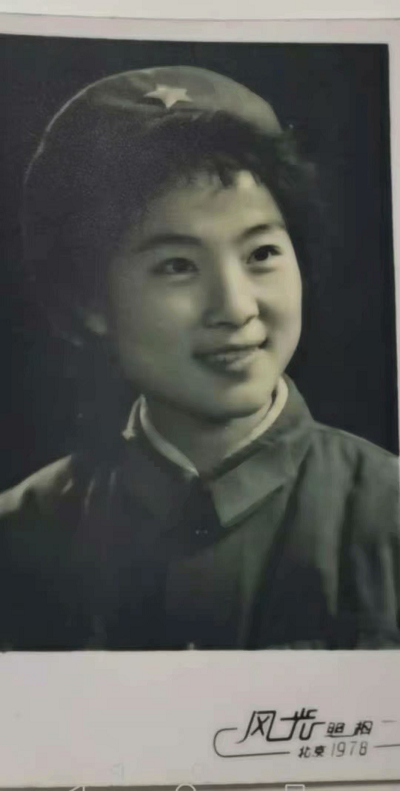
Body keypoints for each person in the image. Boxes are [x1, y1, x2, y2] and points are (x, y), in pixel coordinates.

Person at [0, 65, 398, 651]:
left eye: (261, 253)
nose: (236, 308)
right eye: (177, 266)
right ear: (89, 302)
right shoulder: (20, 534)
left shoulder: (387, 515)